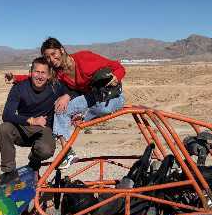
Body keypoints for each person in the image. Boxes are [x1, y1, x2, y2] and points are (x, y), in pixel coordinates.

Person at [8, 37, 126, 169]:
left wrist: (116, 77)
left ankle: (82, 116)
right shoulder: (58, 72)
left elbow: (118, 67)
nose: (51, 59)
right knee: (60, 109)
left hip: (111, 96)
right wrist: (15, 78)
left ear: (62, 50)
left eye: (53, 54)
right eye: (47, 57)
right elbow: (40, 76)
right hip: (91, 96)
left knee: (103, 108)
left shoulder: (85, 59)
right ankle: (67, 152)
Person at [0, 56, 69, 183]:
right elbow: (7, 115)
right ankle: (9, 172)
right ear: (30, 73)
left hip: (43, 130)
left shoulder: (55, 87)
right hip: (23, 128)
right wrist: (32, 120)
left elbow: (74, 90)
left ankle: (34, 163)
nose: (40, 76)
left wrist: (67, 96)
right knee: (4, 129)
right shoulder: (19, 88)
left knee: (46, 150)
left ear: (49, 75)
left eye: (43, 73)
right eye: (37, 72)